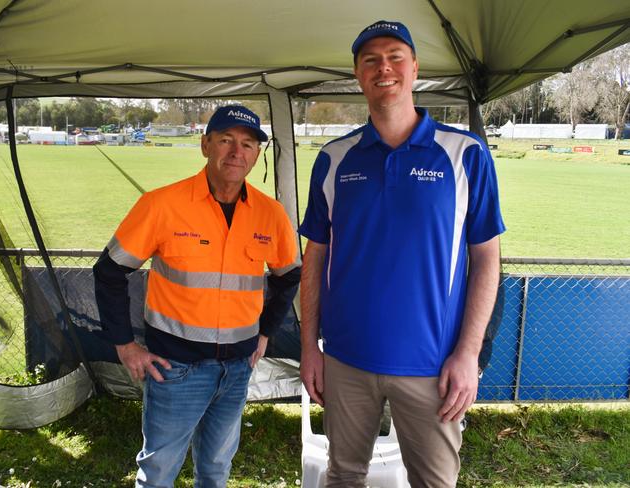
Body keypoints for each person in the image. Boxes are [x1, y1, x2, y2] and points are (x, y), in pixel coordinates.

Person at [298, 20, 506, 488]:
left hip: (434, 366)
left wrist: (468, 355)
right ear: (358, 74)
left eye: (395, 56)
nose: (383, 68)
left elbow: (487, 259)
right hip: (347, 361)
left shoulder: (464, 154)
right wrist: (311, 346)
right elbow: (314, 258)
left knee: (434, 482)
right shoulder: (333, 158)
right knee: (343, 476)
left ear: (415, 68)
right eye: (370, 60)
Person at [93, 105, 300, 488]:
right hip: (175, 369)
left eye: (248, 144)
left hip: (238, 369)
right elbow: (109, 271)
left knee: (217, 471)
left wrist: (266, 333)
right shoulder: (161, 205)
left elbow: (289, 277)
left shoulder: (270, 215)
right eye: (225, 141)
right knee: (158, 473)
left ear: (257, 154)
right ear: (205, 145)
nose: (237, 152)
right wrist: (124, 346)